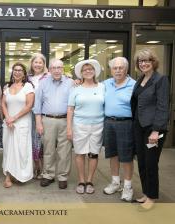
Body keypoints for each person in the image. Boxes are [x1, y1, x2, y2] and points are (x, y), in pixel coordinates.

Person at [131, 48, 169, 211]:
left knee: (151, 163)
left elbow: (162, 106)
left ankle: (152, 196)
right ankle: (146, 193)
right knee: (142, 162)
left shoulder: (160, 80)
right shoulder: (140, 79)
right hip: (139, 127)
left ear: (154, 62)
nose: (143, 63)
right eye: (140, 61)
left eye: (147, 60)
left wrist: (156, 131)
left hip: (153, 129)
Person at [34, 58, 73, 189]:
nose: (57, 70)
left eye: (59, 68)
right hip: (48, 120)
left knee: (65, 150)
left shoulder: (71, 83)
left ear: (63, 69)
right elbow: (37, 104)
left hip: (65, 120)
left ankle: (62, 177)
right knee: (48, 149)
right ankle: (48, 175)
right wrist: (38, 123)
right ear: (49, 70)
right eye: (54, 68)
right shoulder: (43, 83)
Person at [67, 59, 104, 194]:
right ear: (81, 73)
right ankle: (81, 181)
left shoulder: (102, 87)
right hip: (79, 125)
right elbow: (70, 109)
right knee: (80, 153)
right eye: (85, 70)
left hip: (98, 125)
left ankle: (89, 181)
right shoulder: (76, 89)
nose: (88, 71)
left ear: (95, 71)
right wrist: (69, 128)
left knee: (93, 153)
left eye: (90, 69)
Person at [102, 57, 136, 202]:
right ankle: (116, 182)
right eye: (115, 68)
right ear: (111, 70)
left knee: (126, 157)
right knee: (113, 154)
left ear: (126, 69)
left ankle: (128, 187)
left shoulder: (134, 85)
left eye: (120, 68)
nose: (117, 70)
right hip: (109, 122)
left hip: (126, 124)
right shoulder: (106, 83)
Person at [2, 62, 35, 188]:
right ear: (12, 72)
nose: (17, 72)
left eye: (20, 70)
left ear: (24, 73)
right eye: (15, 70)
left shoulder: (28, 87)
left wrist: (14, 118)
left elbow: (29, 106)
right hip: (9, 124)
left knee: (21, 151)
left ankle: (20, 175)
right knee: (8, 150)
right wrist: (8, 118)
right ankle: (8, 176)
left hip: (22, 124)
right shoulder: (7, 87)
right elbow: (3, 104)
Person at [28, 53, 49, 179]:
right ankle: (37, 168)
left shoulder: (49, 77)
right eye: (35, 62)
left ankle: (46, 169)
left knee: (44, 143)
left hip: (44, 114)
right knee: (33, 142)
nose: (37, 64)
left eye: (40, 62)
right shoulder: (27, 78)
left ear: (44, 64)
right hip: (29, 115)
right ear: (32, 64)